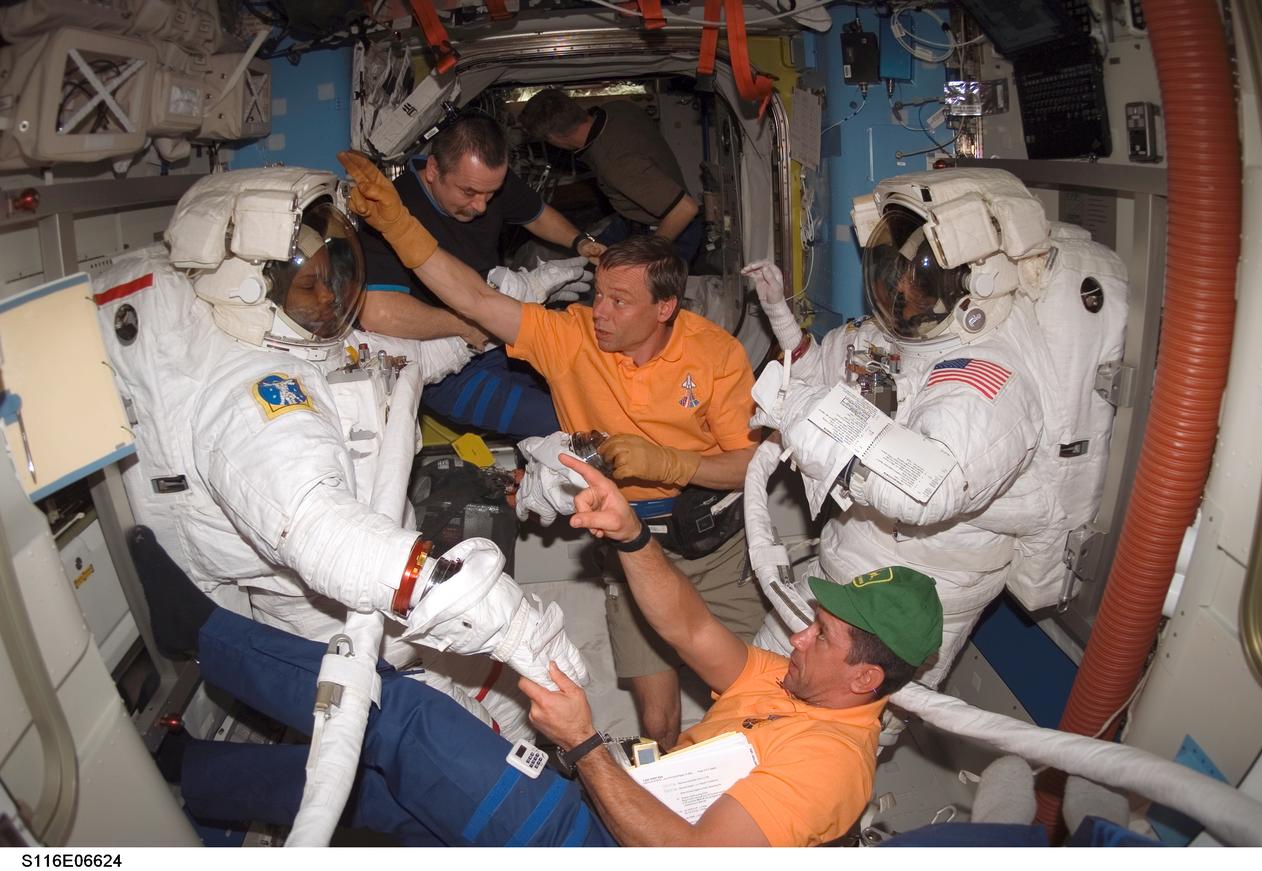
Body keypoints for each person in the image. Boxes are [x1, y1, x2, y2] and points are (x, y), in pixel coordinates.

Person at [160, 454, 944, 847]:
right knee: (374, 793)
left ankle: (199, 633)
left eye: (824, 634)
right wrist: (632, 533)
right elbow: (691, 629)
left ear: (866, 676)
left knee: (408, 719)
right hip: (616, 806)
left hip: (608, 845)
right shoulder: (803, 685)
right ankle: (189, 773)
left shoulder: (832, 764)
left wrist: (584, 744)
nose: (799, 633)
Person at [93, 166, 584, 734]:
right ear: (250, 288)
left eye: (334, 275)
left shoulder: (310, 342)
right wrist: (509, 622)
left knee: (513, 706)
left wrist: (522, 304)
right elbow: (323, 533)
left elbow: (412, 360)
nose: (328, 296)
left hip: (395, 588)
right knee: (470, 751)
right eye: (309, 285)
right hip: (338, 624)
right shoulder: (250, 399)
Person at [338, 148, 762, 751]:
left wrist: (670, 464)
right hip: (633, 548)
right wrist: (397, 224)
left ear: (665, 308)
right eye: (599, 295)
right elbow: (477, 301)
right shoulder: (569, 339)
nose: (599, 313)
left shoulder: (715, 353)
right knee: (660, 720)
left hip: (715, 541)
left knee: (744, 701)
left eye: (620, 302)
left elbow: (750, 463)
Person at [746, 168, 1128, 693]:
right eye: (897, 270)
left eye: (919, 277)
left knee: (820, 743)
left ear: (976, 284)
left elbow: (926, 487)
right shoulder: (899, 340)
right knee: (751, 685)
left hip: (901, 610)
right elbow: (821, 377)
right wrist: (782, 320)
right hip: (844, 571)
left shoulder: (991, 376)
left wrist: (816, 427)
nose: (902, 287)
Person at [355, 113, 606, 437]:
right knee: (565, 425)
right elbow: (379, 313)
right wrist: (466, 324)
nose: (482, 206)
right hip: (448, 370)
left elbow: (537, 214)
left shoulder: (486, 181)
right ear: (433, 170)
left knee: (590, 396)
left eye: (490, 194)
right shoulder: (389, 211)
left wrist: (580, 242)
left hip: (499, 339)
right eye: (470, 193)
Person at [519, 89, 703, 262]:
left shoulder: (616, 163)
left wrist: (648, 255)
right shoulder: (618, 108)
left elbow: (685, 208)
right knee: (588, 258)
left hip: (671, 230)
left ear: (555, 137)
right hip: (633, 221)